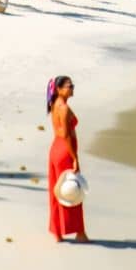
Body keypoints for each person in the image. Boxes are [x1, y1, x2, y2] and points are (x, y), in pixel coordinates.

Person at [46, 75, 88, 243]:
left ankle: (57, 232)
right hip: (64, 150)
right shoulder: (62, 107)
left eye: (73, 86)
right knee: (73, 190)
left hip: (55, 149)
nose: (72, 89)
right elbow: (66, 134)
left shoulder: (55, 105)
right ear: (59, 89)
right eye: (69, 86)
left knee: (57, 191)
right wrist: (75, 157)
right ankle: (80, 233)